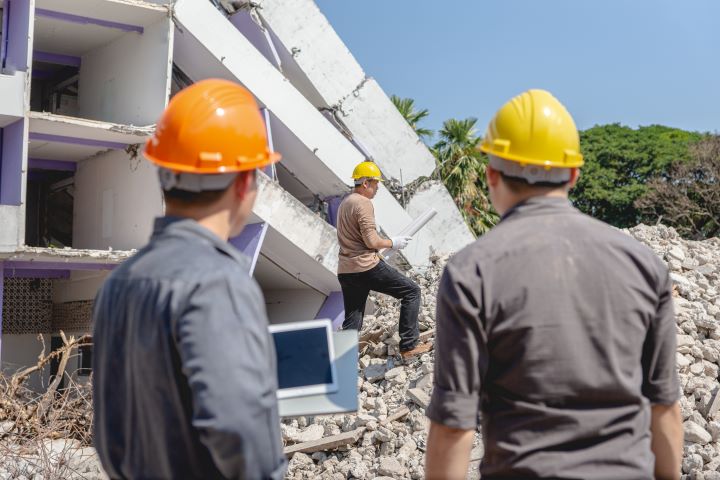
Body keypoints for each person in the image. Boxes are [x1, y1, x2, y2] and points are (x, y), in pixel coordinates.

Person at [425, 89, 683, 480]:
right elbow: (664, 406)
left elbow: (453, 427)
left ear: (492, 174)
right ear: (574, 174)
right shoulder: (644, 265)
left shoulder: (471, 271)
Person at [92, 79, 287, 479]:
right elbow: (239, 429)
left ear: (165, 176)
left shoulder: (119, 283)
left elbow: (107, 434)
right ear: (245, 182)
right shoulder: (218, 281)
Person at [336, 161, 432, 359]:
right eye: (375, 183)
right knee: (411, 291)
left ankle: (341, 363)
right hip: (365, 266)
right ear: (365, 183)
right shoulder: (363, 203)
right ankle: (409, 346)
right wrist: (392, 242)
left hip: (346, 270)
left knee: (353, 319)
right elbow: (371, 241)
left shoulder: (345, 203)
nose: (377, 188)